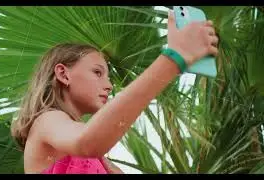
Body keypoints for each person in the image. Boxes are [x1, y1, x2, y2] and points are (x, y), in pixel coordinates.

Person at [11, 10, 219, 174]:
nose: (109, 85)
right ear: (63, 74)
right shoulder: (46, 121)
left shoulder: (96, 157)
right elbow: (87, 142)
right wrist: (175, 58)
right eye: (97, 72)